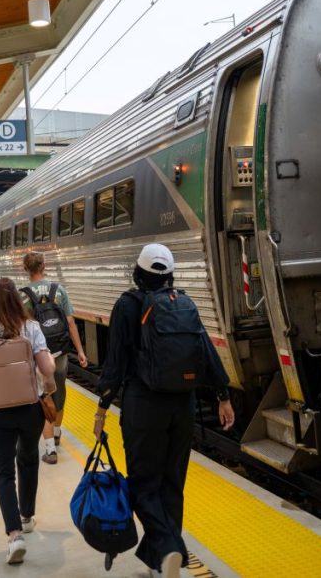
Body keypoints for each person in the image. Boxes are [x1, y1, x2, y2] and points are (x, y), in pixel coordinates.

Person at [93, 244, 235, 578]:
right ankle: (160, 562)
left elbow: (115, 365)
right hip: (183, 406)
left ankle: (169, 548)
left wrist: (101, 407)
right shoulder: (184, 304)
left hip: (144, 406)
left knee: (143, 484)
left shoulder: (127, 306)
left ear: (138, 273)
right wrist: (223, 396)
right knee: (172, 483)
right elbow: (205, 351)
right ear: (170, 275)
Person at [0, 278, 56, 565]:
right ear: (19, 302)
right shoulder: (31, 329)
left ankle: (14, 535)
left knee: (3, 473)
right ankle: (27, 515)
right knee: (29, 458)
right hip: (30, 409)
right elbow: (47, 368)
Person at [19, 251, 88, 465]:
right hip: (59, 353)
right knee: (59, 393)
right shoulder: (58, 291)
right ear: (44, 266)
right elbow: (70, 323)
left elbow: (21, 329)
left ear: (25, 269)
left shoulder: (21, 295)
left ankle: (50, 450)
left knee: (43, 397)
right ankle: (57, 433)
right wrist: (81, 350)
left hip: (36, 354)